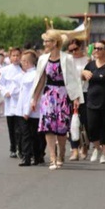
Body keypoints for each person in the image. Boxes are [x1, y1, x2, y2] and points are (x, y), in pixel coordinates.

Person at [30, 30, 83, 170]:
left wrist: (76, 97)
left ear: (55, 42)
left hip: (63, 94)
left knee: (61, 127)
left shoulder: (67, 58)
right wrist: (34, 98)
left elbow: (74, 79)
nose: (45, 43)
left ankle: (62, 154)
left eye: (47, 41)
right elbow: (40, 79)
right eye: (45, 41)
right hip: (48, 93)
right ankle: (52, 157)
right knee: (48, 126)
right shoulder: (43, 58)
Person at [17, 50, 44, 166]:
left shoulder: (34, 75)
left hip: (30, 110)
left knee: (29, 135)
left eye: (23, 61)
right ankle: (33, 156)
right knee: (30, 135)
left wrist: (26, 111)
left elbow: (31, 95)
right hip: (25, 109)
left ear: (27, 62)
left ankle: (28, 156)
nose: (21, 63)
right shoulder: (27, 74)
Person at [0, 48, 24, 158]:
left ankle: (20, 147)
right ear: (10, 57)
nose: (16, 57)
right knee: (11, 127)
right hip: (9, 102)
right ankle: (13, 147)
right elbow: (0, 84)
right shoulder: (5, 70)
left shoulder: (23, 70)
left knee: (20, 127)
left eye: (18, 55)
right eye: (13, 55)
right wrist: (5, 92)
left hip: (20, 101)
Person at [67, 38, 89, 161]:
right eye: (70, 50)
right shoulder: (67, 61)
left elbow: (90, 76)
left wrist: (83, 75)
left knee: (85, 122)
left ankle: (85, 146)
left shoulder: (87, 60)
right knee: (73, 122)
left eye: (75, 49)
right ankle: (74, 149)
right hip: (71, 93)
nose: (73, 52)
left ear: (81, 47)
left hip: (85, 92)